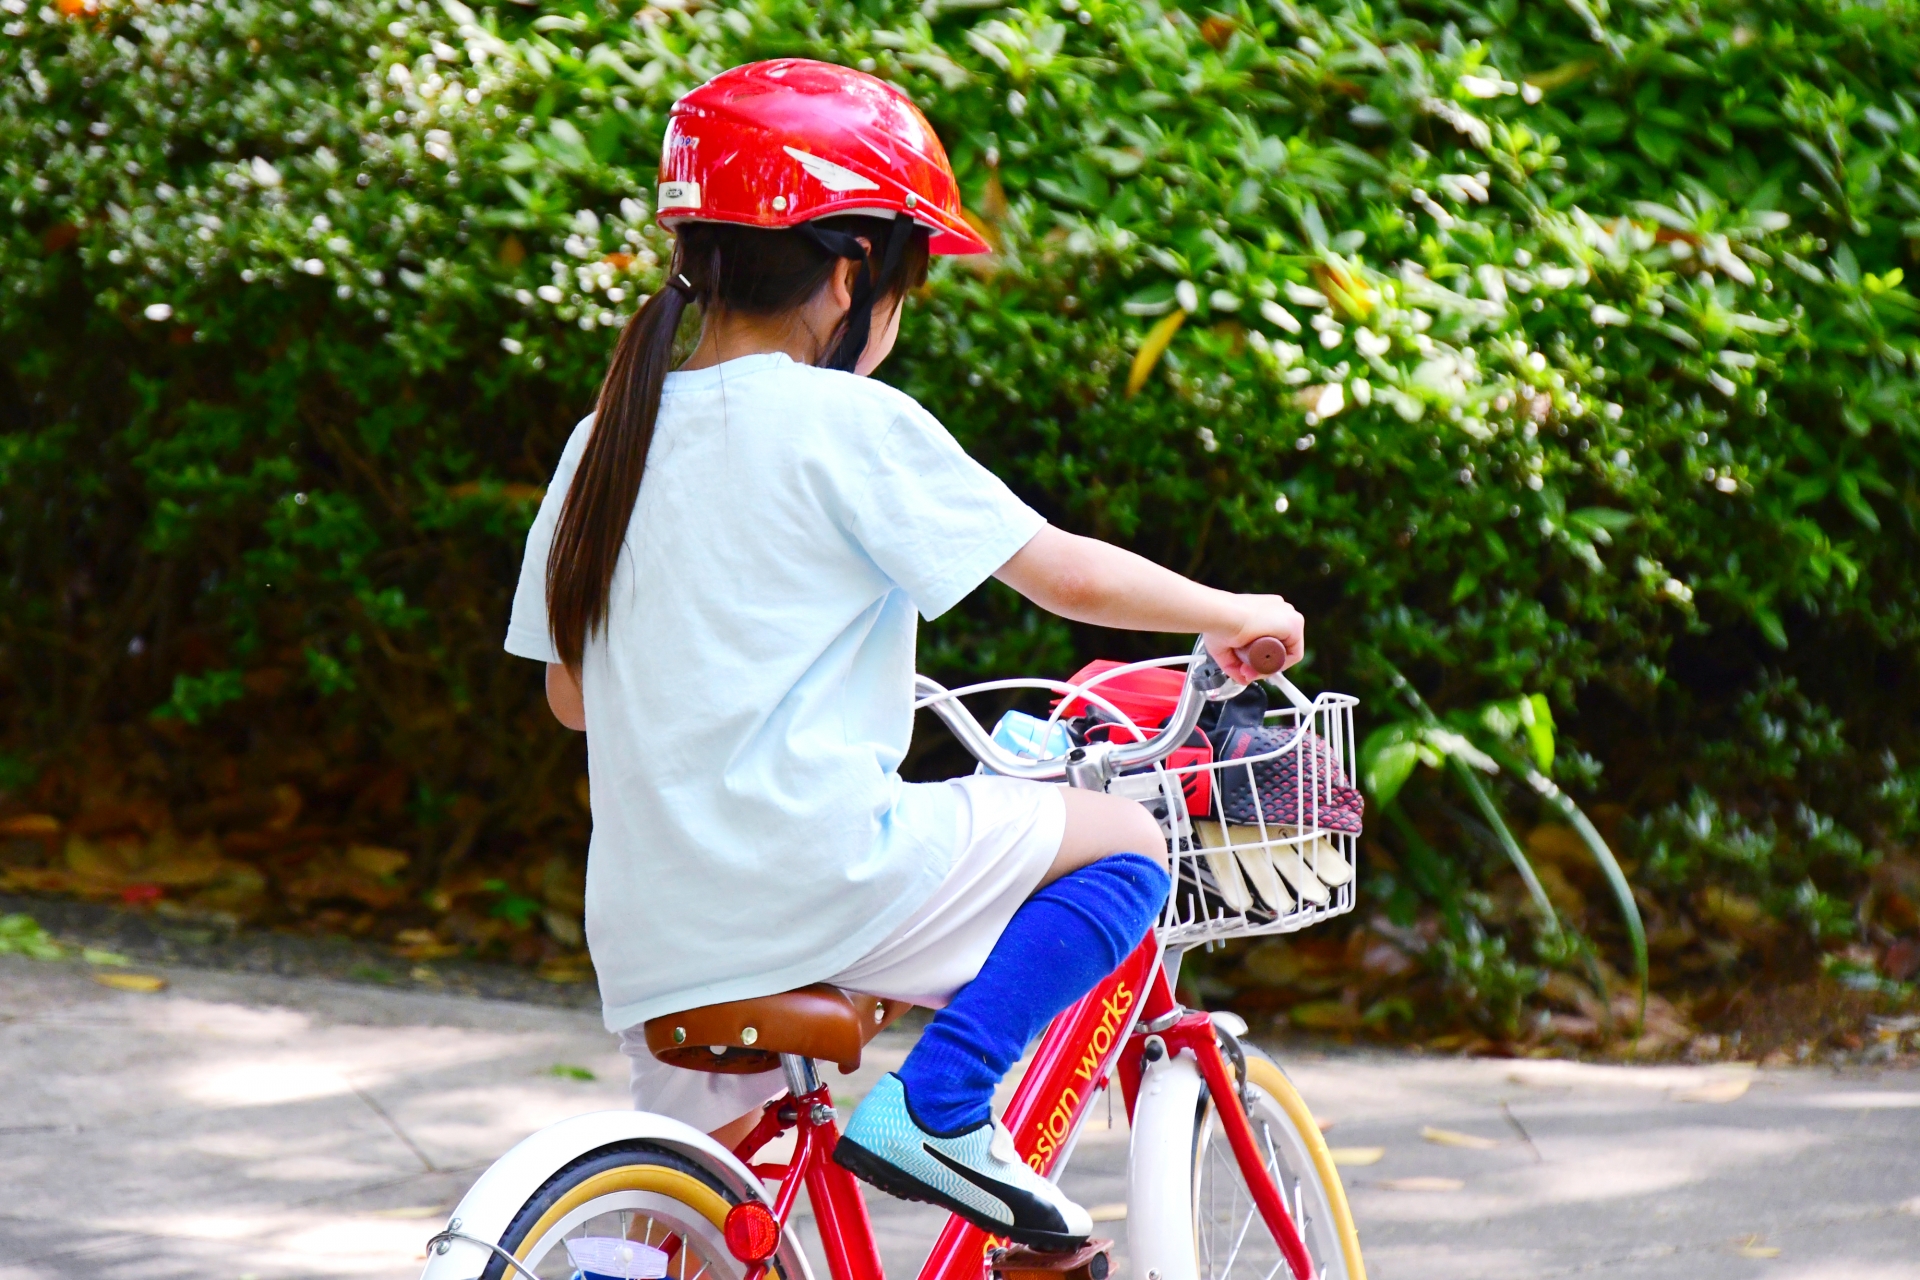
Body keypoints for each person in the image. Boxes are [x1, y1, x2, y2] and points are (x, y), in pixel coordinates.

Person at [504, 58, 1305, 1250]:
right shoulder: (846, 422)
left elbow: (574, 695)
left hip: (653, 924)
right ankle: (941, 1106)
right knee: (1130, 849)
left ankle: (611, 1250)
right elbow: (1059, 568)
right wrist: (1229, 604)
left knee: (690, 1216)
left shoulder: (603, 440)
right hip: (821, 878)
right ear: (849, 275)